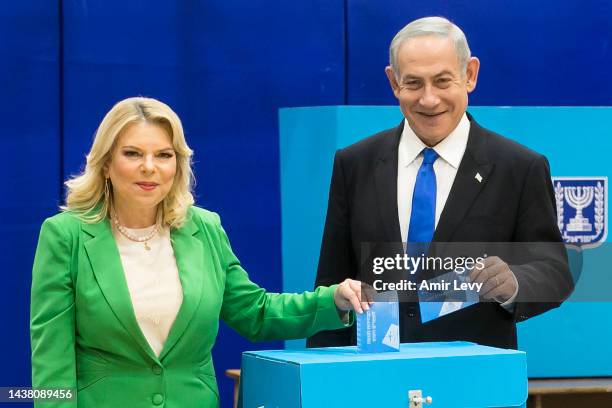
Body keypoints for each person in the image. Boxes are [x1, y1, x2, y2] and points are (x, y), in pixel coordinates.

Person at [30, 97, 370, 407]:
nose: (149, 167)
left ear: (178, 165)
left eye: (164, 155)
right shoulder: (65, 235)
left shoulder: (204, 228)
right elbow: (51, 365)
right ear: (105, 163)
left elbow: (255, 312)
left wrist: (333, 301)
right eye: (133, 154)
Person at [307, 16, 574, 350]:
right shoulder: (354, 163)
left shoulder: (519, 167)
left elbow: (554, 270)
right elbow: (332, 283)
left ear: (470, 75)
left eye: (443, 81)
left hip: (474, 379)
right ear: (393, 82)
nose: (429, 100)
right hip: (373, 374)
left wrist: (514, 282)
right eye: (414, 84)